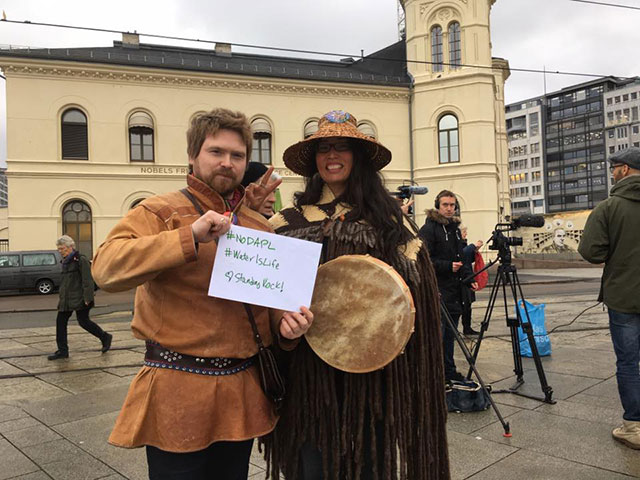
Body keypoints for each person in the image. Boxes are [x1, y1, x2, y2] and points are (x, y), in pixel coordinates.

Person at [91, 108, 314, 479]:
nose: (227, 163)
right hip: (177, 393)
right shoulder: (159, 211)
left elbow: (269, 305)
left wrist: (287, 327)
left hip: (239, 393)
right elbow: (105, 269)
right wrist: (188, 236)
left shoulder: (259, 224)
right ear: (193, 156)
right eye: (216, 152)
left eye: (237, 155)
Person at [264, 110, 449, 479]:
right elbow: (264, 288)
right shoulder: (285, 221)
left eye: (343, 147)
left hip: (370, 374)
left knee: (367, 463)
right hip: (305, 371)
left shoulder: (388, 222)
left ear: (358, 157)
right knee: (309, 463)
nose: (332, 155)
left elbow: (417, 290)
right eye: (324, 148)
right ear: (314, 160)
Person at [578, 146, 640, 450]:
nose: (612, 172)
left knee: (629, 362)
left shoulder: (609, 207)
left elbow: (591, 252)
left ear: (625, 170)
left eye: (614, 167)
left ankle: (634, 427)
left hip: (624, 297)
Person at [419, 191, 478, 382]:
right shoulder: (429, 229)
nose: (449, 208)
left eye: (452, 205)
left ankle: (449, 372)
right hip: (437, 289)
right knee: (439, 335)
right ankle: (437, 374)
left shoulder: (454, 228)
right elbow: (423, 259)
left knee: (450, 335)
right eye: (445, 204)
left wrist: (469, 278)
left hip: (454, 291)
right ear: (438, 206)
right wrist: (447, 266)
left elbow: (460, 256)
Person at [48, 235, 112, 360]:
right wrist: (62, 298)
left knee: (84, 322)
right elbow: (66, 283)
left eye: (62, 249)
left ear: (70, 247)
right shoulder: (65, 262)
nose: (60, 251)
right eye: (59, 249)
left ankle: (105, 337)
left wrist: (88, 298)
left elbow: (87, 280)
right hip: (67, 299)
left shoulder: (80, 260)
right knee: (60, 322)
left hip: (80, 298)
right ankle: (62, 351)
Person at [460, 225, 483, 336]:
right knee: (462, 306)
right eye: (464, 232)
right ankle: (461, 328)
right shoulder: (457, 244)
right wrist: (473, 246)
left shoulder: (463, 244)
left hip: (468, 277)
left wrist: (475, 250)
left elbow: (469, 259)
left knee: (467, 306)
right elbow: (463, 254)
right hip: (462, 279)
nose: (466, 234)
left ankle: (467, 328)